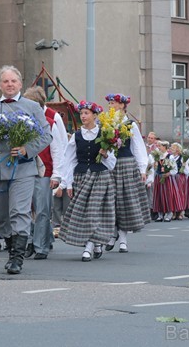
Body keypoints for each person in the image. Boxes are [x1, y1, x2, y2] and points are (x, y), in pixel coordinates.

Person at [0, 65, 51, 275]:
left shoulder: (32, 107)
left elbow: (46, 135)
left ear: (20, 84)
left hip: (23, 169)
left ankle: (18, 258)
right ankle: (10, 249)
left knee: (19, 211)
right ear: (0, 85)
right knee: (1, 215)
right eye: (5, 81)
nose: (9, 85)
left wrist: (27, 149)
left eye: (13, 81)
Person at [59, 101, 116, 262]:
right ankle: (96, 243)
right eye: (82, 113)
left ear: (94, 116)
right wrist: (67, 183)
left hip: (100, 176)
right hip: (82, 176)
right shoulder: (76, 136)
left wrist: (105, 154)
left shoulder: (105, 134)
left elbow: (112, 164)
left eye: (86, 113)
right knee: (84, 212)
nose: (83, 116)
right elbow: (69, 161)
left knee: (93, 211)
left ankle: (89, 247)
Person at [23, 86, 67, 260]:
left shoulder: (50, 122)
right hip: (25, 170)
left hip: (44, 171)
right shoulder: (22, 122)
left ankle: (39, 245)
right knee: (25, 209)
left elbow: (58, 150)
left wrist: (57, 175)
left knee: (41, 210)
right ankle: (35, 240)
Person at [104, 93, 149, 251]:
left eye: (114, 103)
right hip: (110, 166)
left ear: (122, 105)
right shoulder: (106, 123)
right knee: (110, 201)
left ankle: (123, 238)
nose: (111, 105)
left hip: (125, 164)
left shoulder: (130, 124)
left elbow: (138, 147)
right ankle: (112, 233)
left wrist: (142, 168)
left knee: (124, 202)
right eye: (110, 103)